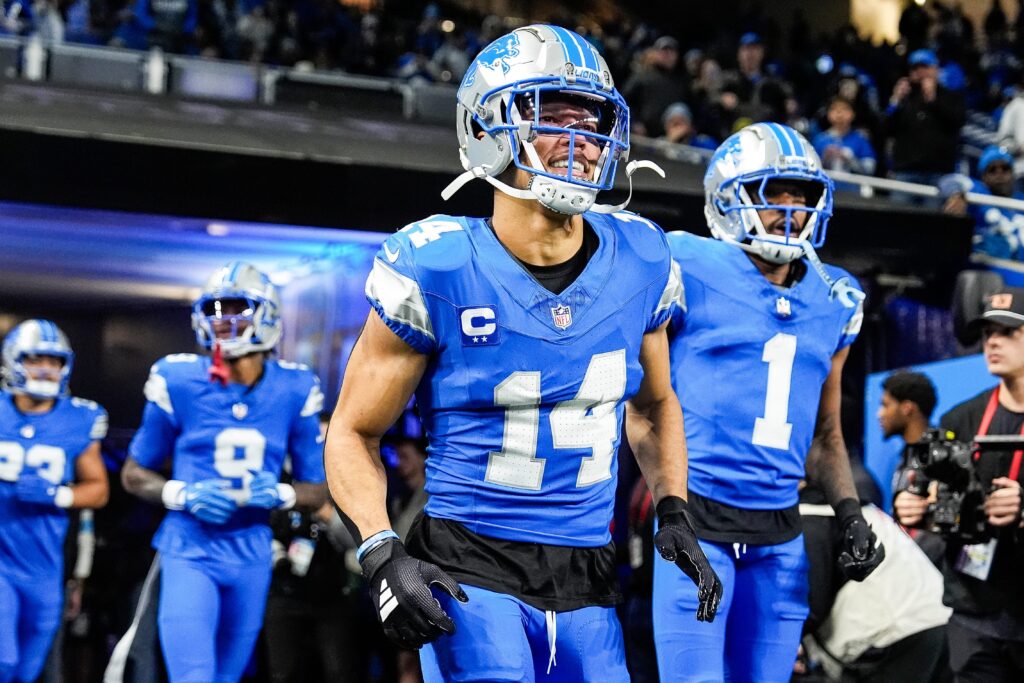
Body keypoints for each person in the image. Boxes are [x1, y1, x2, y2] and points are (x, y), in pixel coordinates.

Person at [324, 24, 721, 683]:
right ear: (488, 131)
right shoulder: (439, 264)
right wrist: (381, 549)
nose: (580, 140)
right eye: (551, 117)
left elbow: (652, 406)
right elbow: (353, 431)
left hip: (590, 567)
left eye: (590, 120)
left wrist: (673, 503)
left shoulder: (643, 257)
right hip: (470, 566)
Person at [655, 122, 886, 682]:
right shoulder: (686, 264)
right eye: (772, 193)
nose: (789, 208)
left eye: (800, 196)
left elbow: (827, 433)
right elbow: (650, 401)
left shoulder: (836, 296)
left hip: (781, 536)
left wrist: (850, 513)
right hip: (698, 523)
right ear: (729, 200)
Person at [120, 262, 328, 683]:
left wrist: (281, 494)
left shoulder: (295, 386)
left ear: (267, 314)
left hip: (252, 551)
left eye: (238, 308)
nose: (223, 320)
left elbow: (318, 490)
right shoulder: (177, 378)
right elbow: (133, 474)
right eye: (215, 309)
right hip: (189, 547)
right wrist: (182, 494)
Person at [894, 288, 1024, 680]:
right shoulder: (959, 419)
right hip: (974, 613)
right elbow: (922, 487)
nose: (992, 342)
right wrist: (912, 504)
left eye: (1007, 331)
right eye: (987, 333)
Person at [0, 320, 109, 683]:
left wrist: (59, 493)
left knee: (29, 671)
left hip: (45, 564)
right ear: (14, 360)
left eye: (54, 361)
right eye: (35, 359)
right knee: (4, 662)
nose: (46, 369)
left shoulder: (79, 418)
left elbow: (98, 489)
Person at [885, 49, 966, 204]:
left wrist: (933, 100)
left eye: (925, 67)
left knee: (931, 224)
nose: (921, 72)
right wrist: (895, 101)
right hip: (906, 171)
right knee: (899, 221)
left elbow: (956, 123)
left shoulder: (951, 96)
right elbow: (887, 130)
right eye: (915, 68)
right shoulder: (905, 97)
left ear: (935, 69)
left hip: (938, 172)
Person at [941, 145, 1024, 285]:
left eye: (1005, 168)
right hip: (989, 271)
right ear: (983, 176)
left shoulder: (1021, 200)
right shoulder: (978, 193)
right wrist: (956, 195)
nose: (999, 174)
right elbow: (950, 180)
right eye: (992, 170)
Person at [812, 95, 877, 186]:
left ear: (853, 114)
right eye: (834, 109)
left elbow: (870, 168)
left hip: (853, 194)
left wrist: (850, 159)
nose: (839, 113)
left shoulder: (860, 139)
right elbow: (811, 169)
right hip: (826, 191)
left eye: (844, 109)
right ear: (828, 114)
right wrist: (824, 159)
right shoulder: (820, 140)